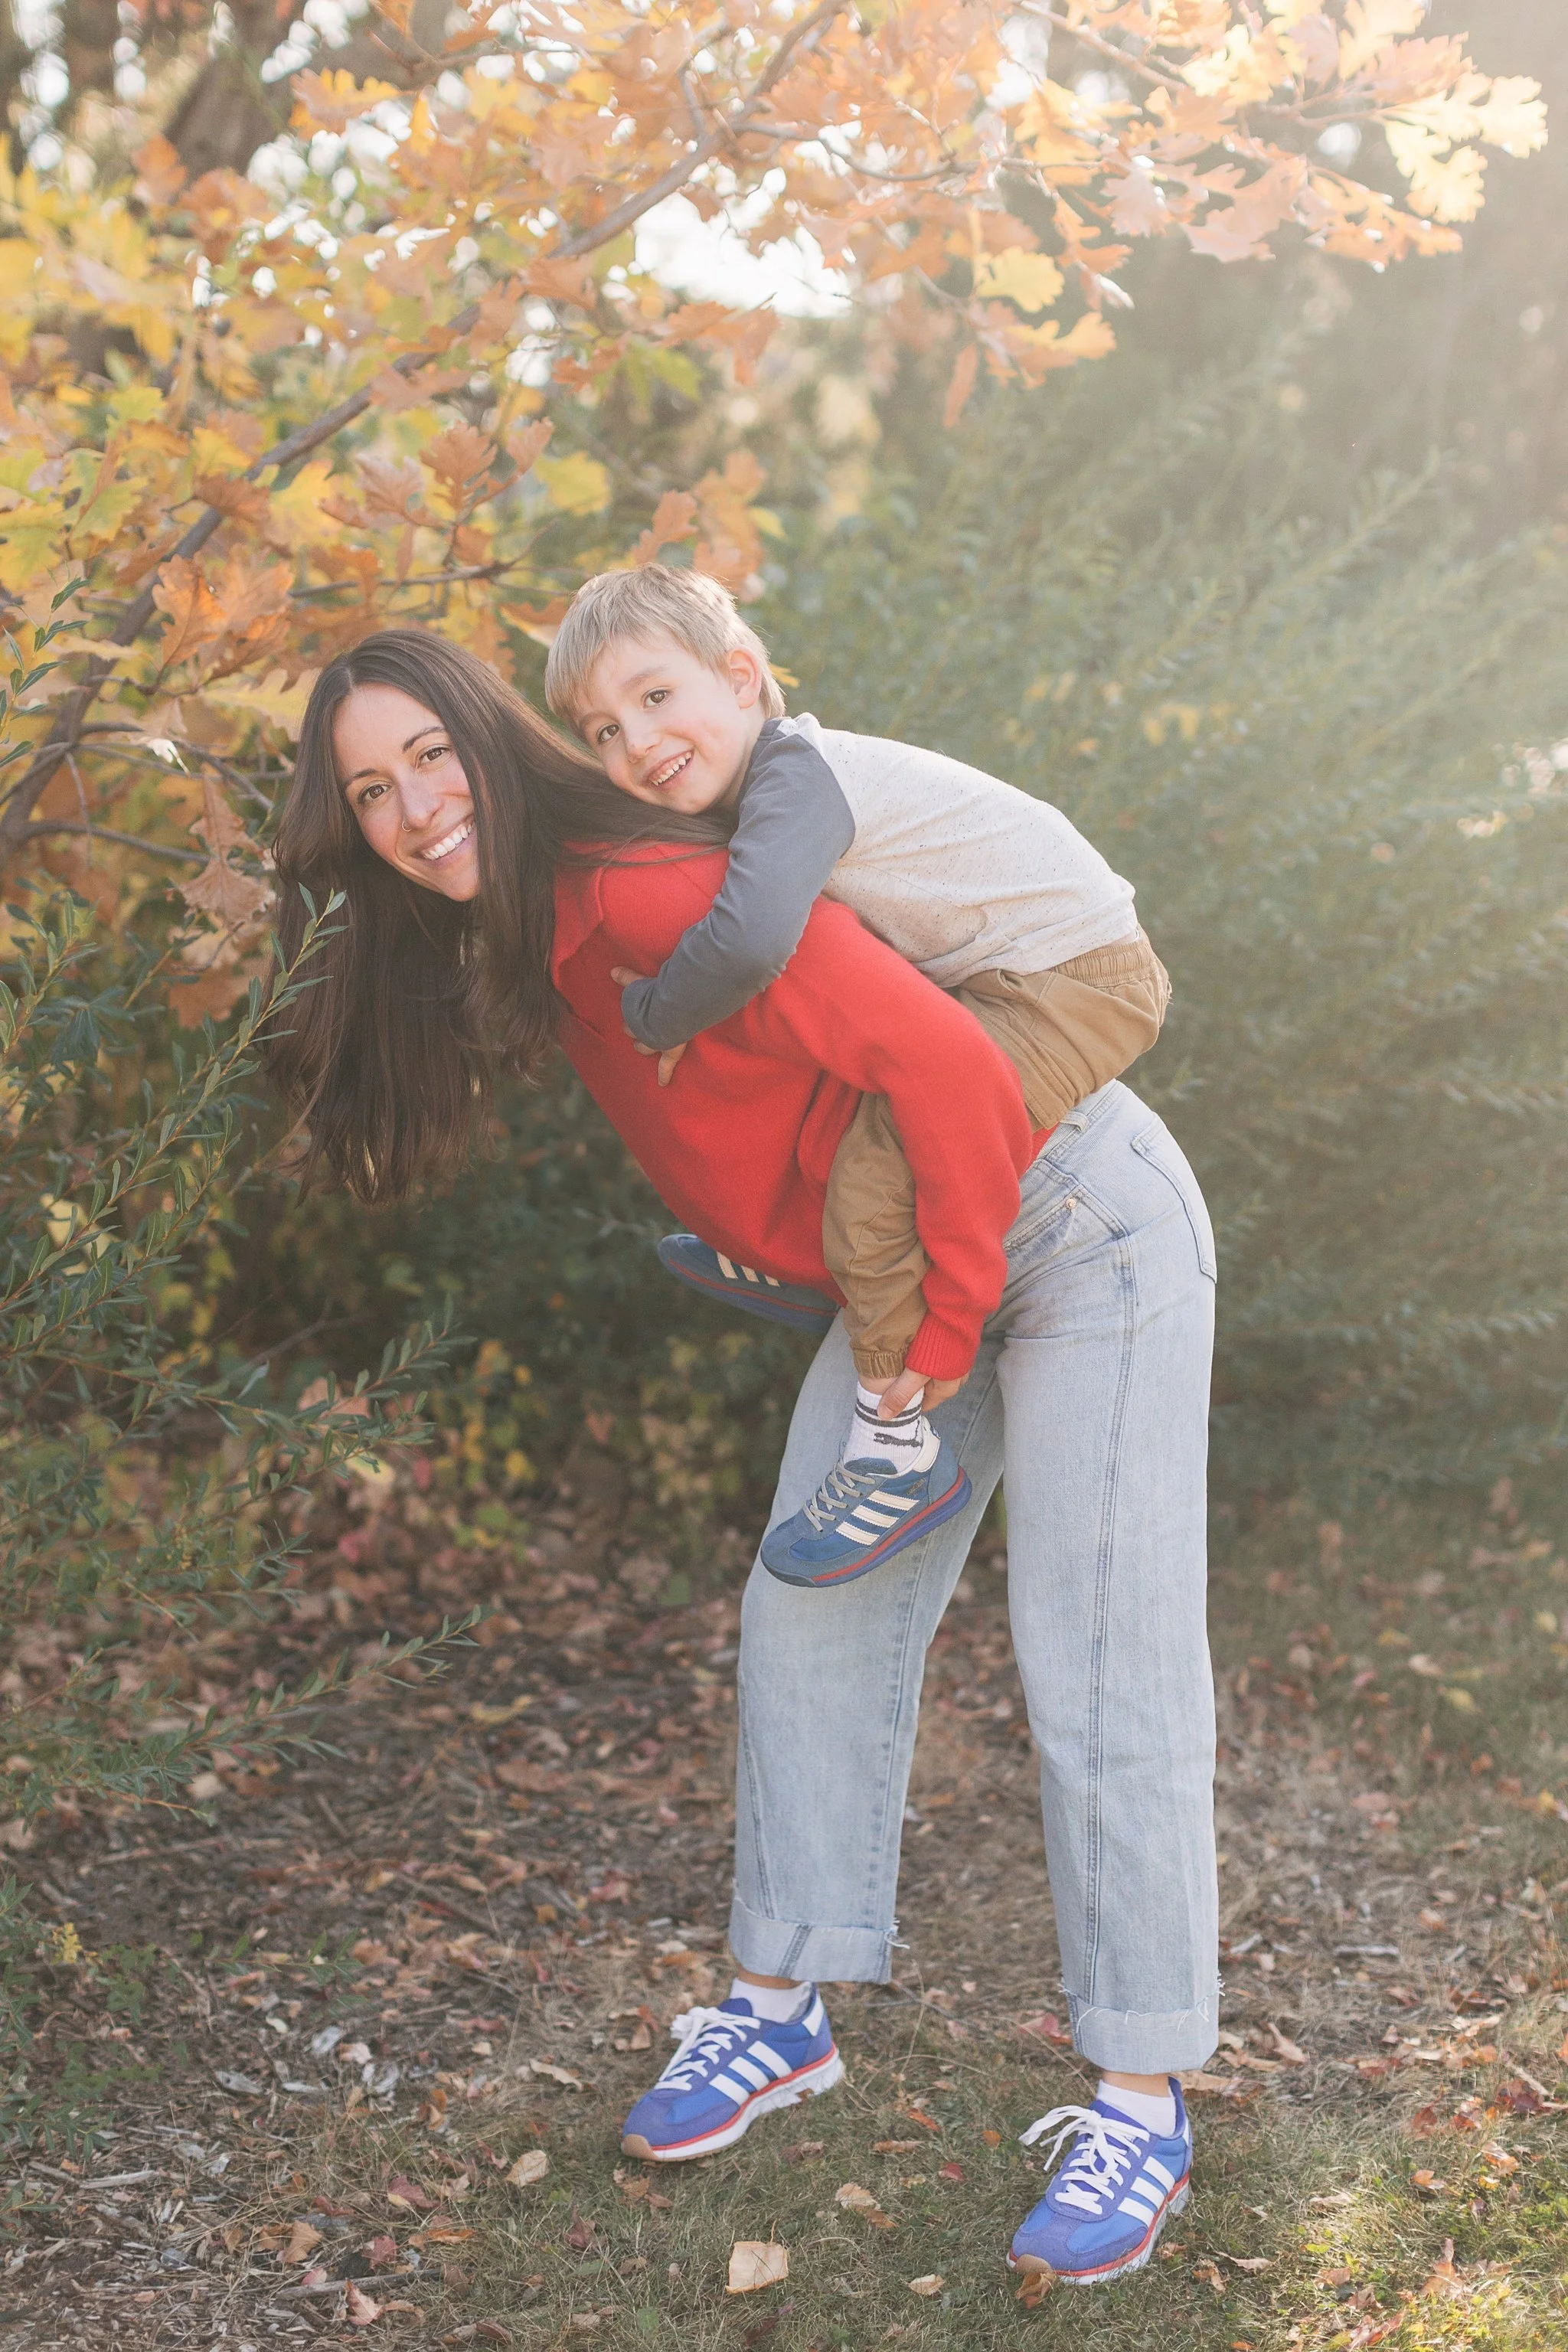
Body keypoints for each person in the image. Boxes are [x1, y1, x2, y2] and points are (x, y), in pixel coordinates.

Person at [268, 629, 1220, 2288]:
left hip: (1071, 1220)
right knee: (808, 1613)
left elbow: (932, 1062)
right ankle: (779, 2012)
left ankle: (1139, 2094)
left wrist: (919, 1356)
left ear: (487, 744)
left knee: (1095, 1654)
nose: (413, 808)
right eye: (370, 790)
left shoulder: (635, 893)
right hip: (915, 1258)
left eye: (428, 756)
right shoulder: (533, 924)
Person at [542, 565, 1171, 1583]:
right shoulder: (764, 789)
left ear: (742, 677)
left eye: (655, 698)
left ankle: (897, 1450)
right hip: (1009, 970)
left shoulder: (797, 782)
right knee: (867, 1110)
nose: (637, 742)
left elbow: (745, 944)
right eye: (602, 730)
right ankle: (816, 1268)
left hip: (1075, 977)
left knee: (882, 1170)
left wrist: (652, 1012)